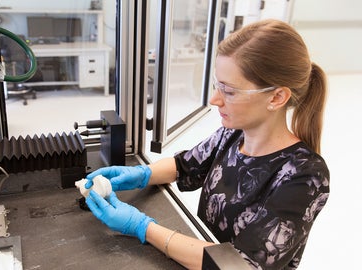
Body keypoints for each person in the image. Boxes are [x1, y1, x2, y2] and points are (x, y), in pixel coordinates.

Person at [83, 19, 330, 270]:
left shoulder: (305, 176)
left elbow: (239, 264)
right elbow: (186, 165)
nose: (214, 100)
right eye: (216, 85)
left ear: (277, 97)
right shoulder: (234, 134)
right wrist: (140, 174)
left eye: (229, 91)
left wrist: (143, 228)